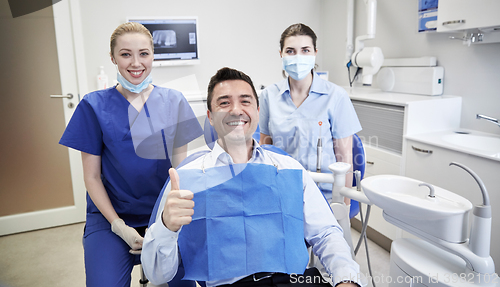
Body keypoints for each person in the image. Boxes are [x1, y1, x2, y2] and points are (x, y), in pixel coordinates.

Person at [141, 67, 363, 287]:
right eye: (224, 103)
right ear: (209, 116)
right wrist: (166, 227)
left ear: (257, 111)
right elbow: (158, 275)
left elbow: (326, 233)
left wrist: (346, 279)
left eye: (245, 101)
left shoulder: (289, 169)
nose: (236, 110)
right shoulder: (187, 180)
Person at [59, 22, 203, 287]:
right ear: (112, 58)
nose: (136, 63)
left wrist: (167, 222)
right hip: (111, 218)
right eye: (125, 54)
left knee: (187, 281)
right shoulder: (93, 105)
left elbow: (180, 172)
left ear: (153, 56)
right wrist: (118, 226)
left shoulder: (174, 101)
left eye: (144, 53)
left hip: (163, 214)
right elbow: (91, 177)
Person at [258, 23, 362, 202]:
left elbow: (345, 159)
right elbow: (266, 149)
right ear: (281, 54)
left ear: (315, 52)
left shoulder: (336, 96)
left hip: (325, 194)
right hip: (282, 191)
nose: (298, 56)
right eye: (290, 51)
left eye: (305, 50)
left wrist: (342, 207)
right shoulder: (269, 96)